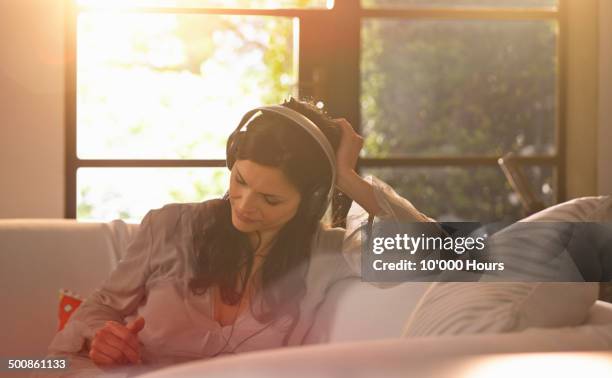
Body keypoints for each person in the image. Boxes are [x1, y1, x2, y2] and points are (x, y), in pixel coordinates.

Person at [45, 98, 432, 376]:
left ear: (310, 201)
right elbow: (98, 308)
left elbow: (453, 254)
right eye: (240, 180)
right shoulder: (170, 226)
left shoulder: (327, 254)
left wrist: (347, 177)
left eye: (271, 198)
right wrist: (103, 336)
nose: (245, 204)